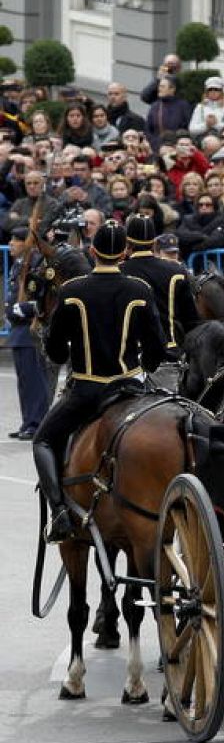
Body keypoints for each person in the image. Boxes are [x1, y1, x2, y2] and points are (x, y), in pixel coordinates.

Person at [32, 220, 166, 543]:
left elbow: (56, 353)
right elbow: (156, 349)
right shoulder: (140, 289)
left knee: (43, 441)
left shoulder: (72, 291)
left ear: (92, 252)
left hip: (88, 391)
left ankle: (60, 513)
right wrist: (144, 365)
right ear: (125, 253)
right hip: (130, 389)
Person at [121, 214, 200, 352]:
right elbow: (191, 321)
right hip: (169, 352)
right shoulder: (176, 271)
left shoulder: (118, 271)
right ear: (153, 244)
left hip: (130, 355)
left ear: (128, 244)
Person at [4, 226, 51, 440]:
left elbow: (45, 299)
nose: (11, 244)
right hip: (18, 331)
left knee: (35, 381)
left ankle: (37, 422)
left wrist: (25, 308)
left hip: (31, 331)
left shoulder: (37, 266)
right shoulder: (19, 267)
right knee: (24, 381)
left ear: (27, 243)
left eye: (16, 240)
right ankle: (27, 421)